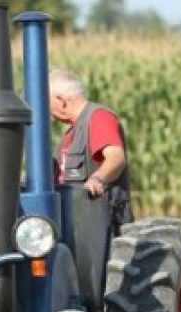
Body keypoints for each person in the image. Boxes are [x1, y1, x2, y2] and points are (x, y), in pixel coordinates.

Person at [48, 69, 133, 234]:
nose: (48, 110)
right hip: (73, 221)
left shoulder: (98, 117)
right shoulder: (71, 133)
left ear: (61, 101)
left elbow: (116, 157)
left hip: (98, 224)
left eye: (48, 102)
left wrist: (97, 179)